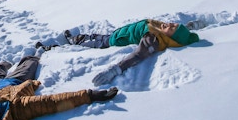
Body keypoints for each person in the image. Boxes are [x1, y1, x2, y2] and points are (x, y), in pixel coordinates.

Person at [37, 19, 203, 86]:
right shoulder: (165, 31)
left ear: (171, 38)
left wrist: (114, 70)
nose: (171, 24)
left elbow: (138, 55)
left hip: (115, 41)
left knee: (93, 42)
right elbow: (181, 34)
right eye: (174, 24)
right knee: (95, 37)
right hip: (119, 33)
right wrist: (190, 27)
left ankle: (57, 48)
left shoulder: (154, 39)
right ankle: (74, 38)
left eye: (173, 28)